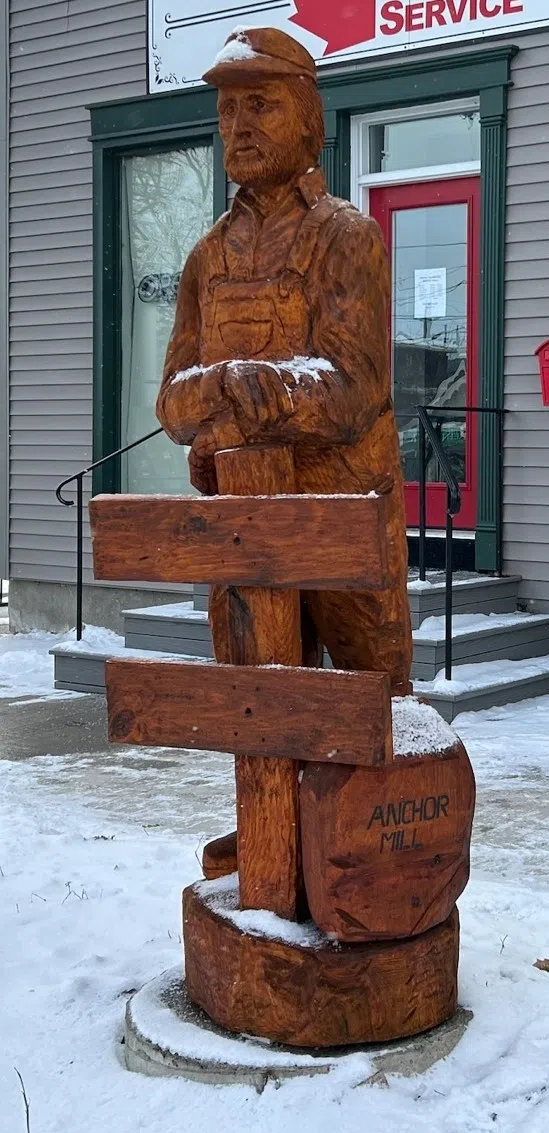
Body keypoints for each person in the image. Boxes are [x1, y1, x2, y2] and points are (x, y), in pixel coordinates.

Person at [156, 25, 412, 694]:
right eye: (227, 110)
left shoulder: (344, 236)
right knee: (258, 716)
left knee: (374, 709)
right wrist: (223, 383)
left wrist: (267, 390)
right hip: (243, 529)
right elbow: (173, 401)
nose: (238, 126)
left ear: (305, 118)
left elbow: (355, 387)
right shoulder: (207, 257)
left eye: (260, 105)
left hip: (341, 521)